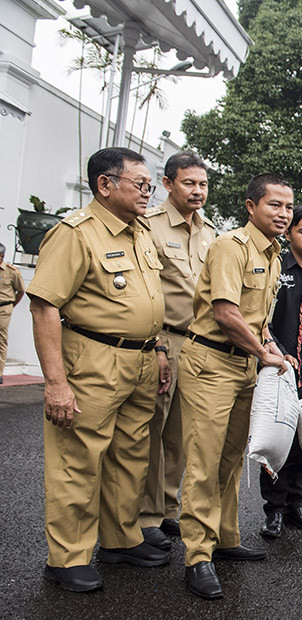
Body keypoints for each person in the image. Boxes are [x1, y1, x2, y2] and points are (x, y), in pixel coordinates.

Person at [27, 146, 168, 592]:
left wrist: (160, 349)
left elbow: (150, 301)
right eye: (140, 184)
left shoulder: (139, 232)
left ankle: (120, 540)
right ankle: (66, 557)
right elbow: (45, 305)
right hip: (93, 359)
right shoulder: (76, 233)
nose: (148, 192)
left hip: (143, 358)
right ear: (106, 185)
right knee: (78, 459)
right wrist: (55, 384)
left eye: (149, 185)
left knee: (131, 456)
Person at [178, 173, 293, 600]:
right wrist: (264, 354)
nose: (283, 214)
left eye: (287, 207)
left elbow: (257, 322)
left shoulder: (274, 254)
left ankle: (224, 538)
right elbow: (226, 314)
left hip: (245, 365)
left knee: (231, 458)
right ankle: (197, 556)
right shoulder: (231, 247)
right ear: (251, 206)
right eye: (274, 205)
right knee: (204, 460)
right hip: (210, 363)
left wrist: (273, 349)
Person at [138, 151, 216, 550]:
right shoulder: (148, 226)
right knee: (152, 428)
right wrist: (156, 346)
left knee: (183, 433)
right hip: (162, 340)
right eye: (189, 183)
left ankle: (168, 507)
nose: (197, 191)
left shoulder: (210, 233)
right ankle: (145, 515)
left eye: (202, 184)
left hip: (198, 342)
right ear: (167, 184)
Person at [259, 205, 302, 538]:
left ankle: (296, 504)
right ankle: (274, 509)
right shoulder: (277, 270)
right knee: (276, 438)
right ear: (289, 234)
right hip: (278, 368)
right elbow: (262, 319)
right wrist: (280, 354)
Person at [0, 243, 26, 384]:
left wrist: (11, 306)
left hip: (4, 309)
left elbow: (20, 291)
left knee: (1, 340)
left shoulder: (11, 271)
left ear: (2, 257)